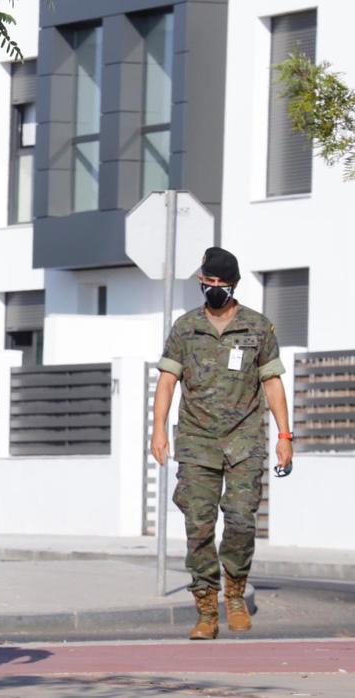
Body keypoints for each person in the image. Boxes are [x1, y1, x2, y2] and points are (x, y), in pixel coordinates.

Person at [151, 246, 292, 640]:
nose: (212, 289)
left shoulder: (258, 328)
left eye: (220, 284)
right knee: (198, 524)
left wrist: (284, 434)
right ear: (200, 282)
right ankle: (206, 606)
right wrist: (158, 429)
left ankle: (234, 591)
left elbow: (273, 383)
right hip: (197, 440)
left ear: (233, 286)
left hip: (245, 439)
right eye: (207, 283)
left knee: (242, 520)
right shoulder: (184, 328)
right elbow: (167, 381)